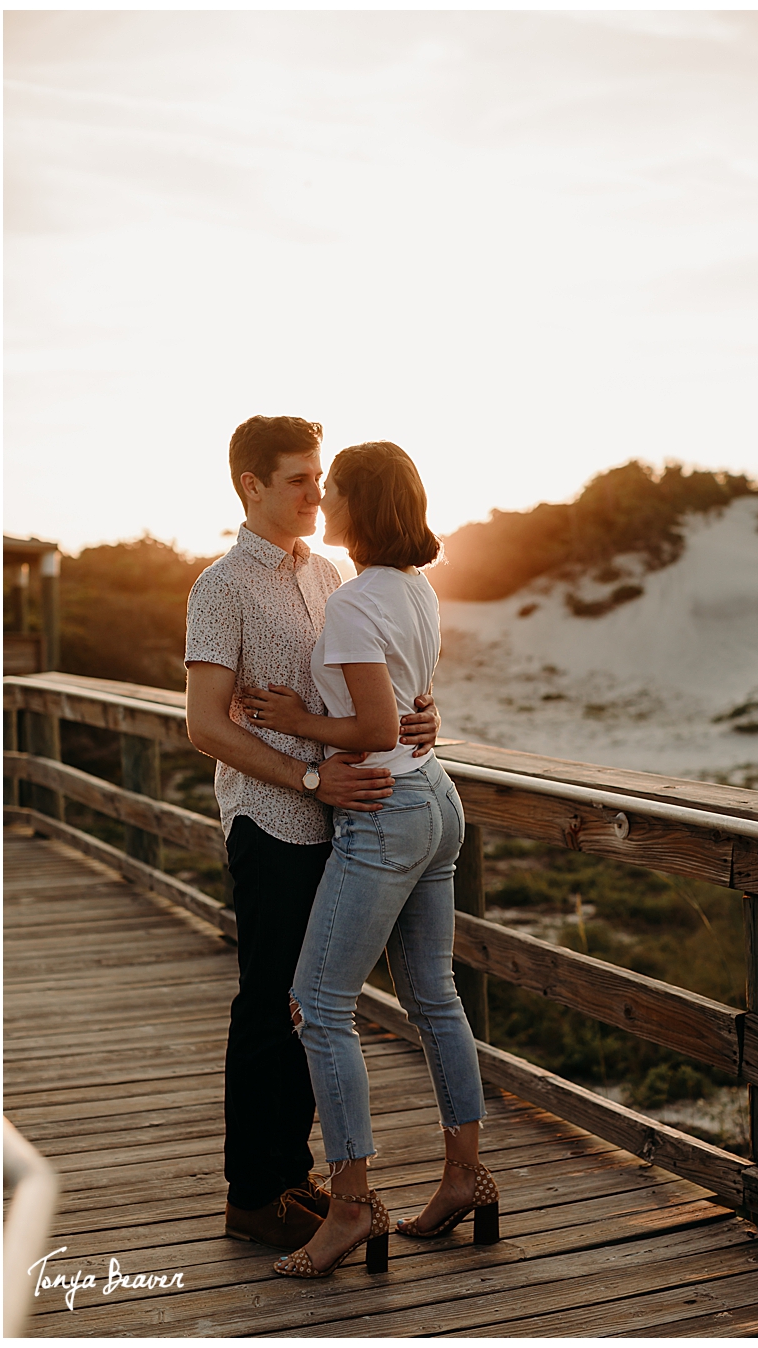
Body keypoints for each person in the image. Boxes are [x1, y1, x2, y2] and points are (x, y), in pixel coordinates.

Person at [241, 440, 496, 1280]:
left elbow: (376, 728)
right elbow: (411, 701)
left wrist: (294, 718)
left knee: (317, 1002)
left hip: (386, 812)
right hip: (436, 798)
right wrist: (409, 717)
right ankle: (466, 1176)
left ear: (361, 504)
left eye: (335, 487)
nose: (324, 498)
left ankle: (352, 1202)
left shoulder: (352, 601)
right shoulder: (413, 585)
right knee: (435, 996)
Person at [185, 415, 440, 1251]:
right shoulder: (220, 587)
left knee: (311, 1005)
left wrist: (417, 716)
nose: (316, 493)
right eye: (298, 479)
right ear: (250, 486)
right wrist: (304, 776)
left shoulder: (332, 571)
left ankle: (295, 1175)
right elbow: (204, 726)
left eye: (319, 477)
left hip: (343, 818)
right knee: (269, 1003)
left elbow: (366, 686)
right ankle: (252, 1193)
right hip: (271, 819)